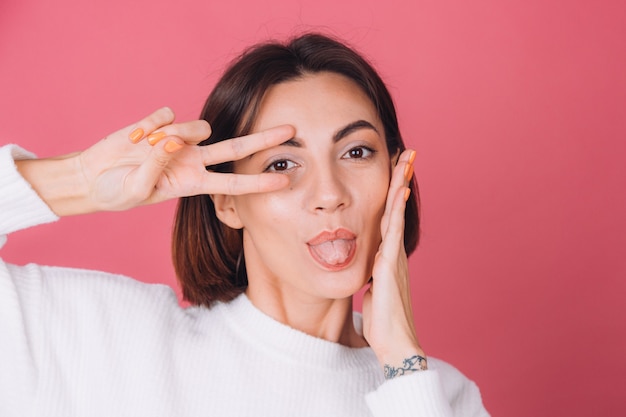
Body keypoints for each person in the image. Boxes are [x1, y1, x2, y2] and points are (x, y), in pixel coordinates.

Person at [0, 33, 489, 416]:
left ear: (397, 173)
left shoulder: (433, 393)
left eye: (356, 152)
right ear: (227, 202)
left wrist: (403, 363)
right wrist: (79, 180)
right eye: (281, 164)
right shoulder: (110, 342)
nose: (330, 195)